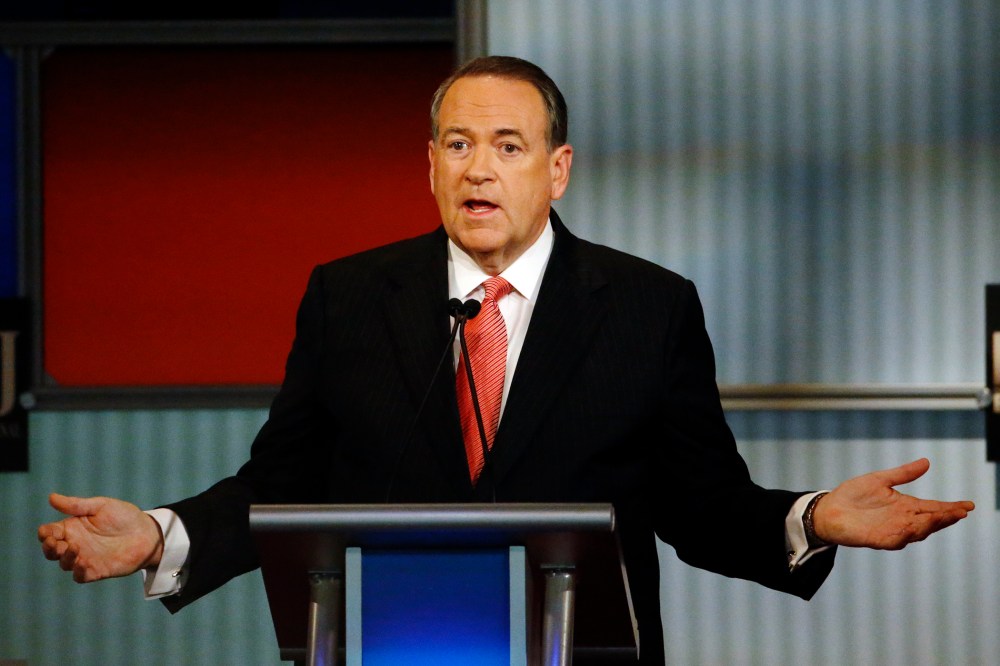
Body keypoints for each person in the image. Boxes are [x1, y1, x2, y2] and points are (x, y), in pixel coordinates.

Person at [39, 56, 974, 664]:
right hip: (382, 644)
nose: (479, 168)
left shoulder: (648, 306)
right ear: (431, 166)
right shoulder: (351, 296)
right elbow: (283, 486)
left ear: (556, 169)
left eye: (508, 146)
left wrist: (812, 518)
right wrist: (160, 534)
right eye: (458, 145)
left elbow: (700, 506)